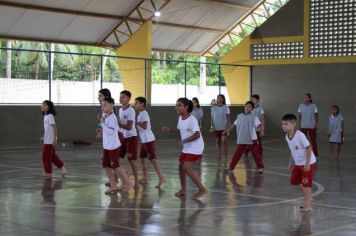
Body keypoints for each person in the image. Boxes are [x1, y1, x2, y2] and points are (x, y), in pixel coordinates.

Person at [163, 98, 207, 199]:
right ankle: (183, 189)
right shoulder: (180, 118)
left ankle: (202, 189)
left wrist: (183, 141)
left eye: (179, 105)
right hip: (187, 146)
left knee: (186, 167)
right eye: (176, 105)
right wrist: (170, 129)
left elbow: (197, 135)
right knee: (180, 166)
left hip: (196, 146)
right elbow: (180, 130)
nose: (176, 107)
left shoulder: (192, 120)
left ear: (186, 107)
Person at [282, 113, 317, 212]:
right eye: (283, 124)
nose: (283, 126)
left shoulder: (300, 135)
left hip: (308, 163)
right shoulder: (287, 137)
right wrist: (291, 162)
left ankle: (308, 205)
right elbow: (292, 150)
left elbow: (309, 148)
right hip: (297, 163)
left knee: (306, 184)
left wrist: (307, 163)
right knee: (295, 181)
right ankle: (308, 197)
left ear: (293, 125)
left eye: (286, 124)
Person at [223, 101, 265, 174]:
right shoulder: (240, 116)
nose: (247, 108)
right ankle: (231, 167)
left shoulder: (254, 117)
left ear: (252, 109)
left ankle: (261, 167)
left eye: (249, 106)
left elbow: (259, 125)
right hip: (242, 138)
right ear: (244, 107)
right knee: (237, 154)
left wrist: (261, 131)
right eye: (246, 106)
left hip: (252, 139)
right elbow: (234, 125)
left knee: (256, 154)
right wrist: (227, 130)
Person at [100, 97, 131, 194]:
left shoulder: (113, 117)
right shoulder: (104, 115)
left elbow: (111, 131)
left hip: (113, 146)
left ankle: (128, 184)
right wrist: (101, 131)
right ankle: (113, 185)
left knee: (116, 166)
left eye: (105, 105)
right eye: (102, 105)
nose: (102, 107)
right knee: (106, 165)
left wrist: (102, 124)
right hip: (107, 145)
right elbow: (105, 130)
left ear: (112, 106)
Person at [134, 96, 165, 188]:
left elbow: (144, 126)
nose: (134, 105)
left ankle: (161, 177)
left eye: (136, 103)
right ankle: (145, 177)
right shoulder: (140, 114)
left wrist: (136, 123)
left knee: (153, 160)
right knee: (142, 159)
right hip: (144, 140)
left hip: (148, 140)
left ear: (142, 104)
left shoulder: (144, 114)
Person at [41, 100, 67, 178]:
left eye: (45, 105)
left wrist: (55, 139)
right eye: (42, 105)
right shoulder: (45, 116)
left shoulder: (50, 116)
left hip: (50, 141)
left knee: (46, 157)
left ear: (49, 107)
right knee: (52, 157)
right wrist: (43, 137)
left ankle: (48, 172)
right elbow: (46, 129)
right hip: (46, 140)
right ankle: (62, 167)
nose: (42, 106)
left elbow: (55, 127)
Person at [118, 90, 139, 188]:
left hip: (131, 138)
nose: (121, 99)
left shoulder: (131, 110)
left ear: (128, 99)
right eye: (120, 97)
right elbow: (121, 126)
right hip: (122, 137)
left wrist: (118, 124)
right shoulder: (120, 110)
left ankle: (136, 181)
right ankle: (124, 176)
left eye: (123, 97)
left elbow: (129, 127)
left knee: (131, 160)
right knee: (116, 159)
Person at [211, 94, 231, 162]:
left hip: (224, 127)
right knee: (218, 141)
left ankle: (225, 155)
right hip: (216, 127)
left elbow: (228, 118)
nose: (219, 99)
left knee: (224, 141)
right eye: (218, 98)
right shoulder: (213, 108)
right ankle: (218, 155)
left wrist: (228, 127)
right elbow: (212, 118)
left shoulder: (226, 108)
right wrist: (213, 127)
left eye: (221, 98)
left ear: (223, 99)